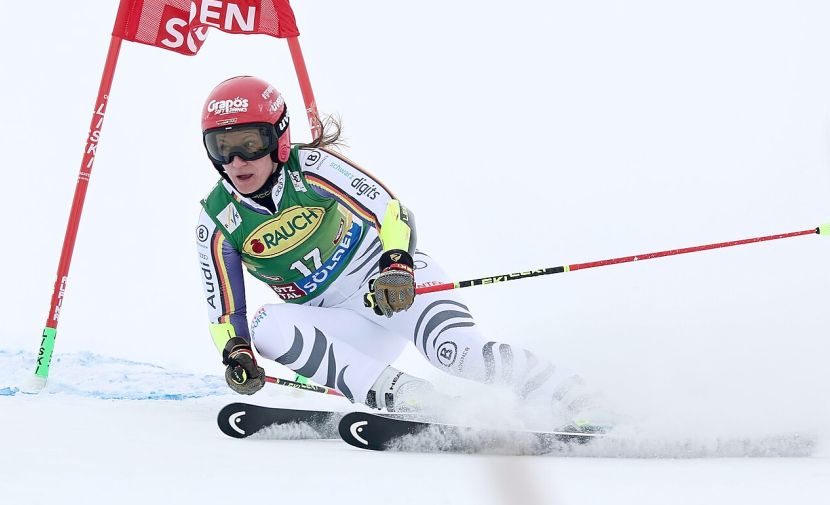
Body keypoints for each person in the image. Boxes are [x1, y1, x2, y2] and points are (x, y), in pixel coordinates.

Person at [195, 75, 610, 430]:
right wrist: (237, 352)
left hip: (392, 291)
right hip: (341, 325)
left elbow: (392, 212)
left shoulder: (314, 167)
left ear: (278, 139)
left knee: (456, 353)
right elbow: (224, 314)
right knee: (266, 325)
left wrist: (396, 263)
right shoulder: (217, 220)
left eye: (250, 143)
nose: (235, 161)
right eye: (220, 147)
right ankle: (407, 396)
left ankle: (576, 396)